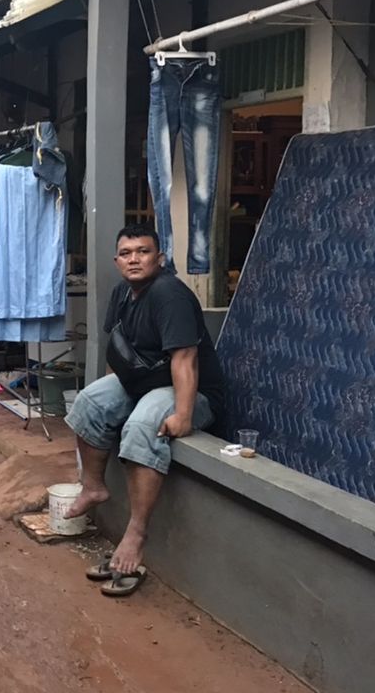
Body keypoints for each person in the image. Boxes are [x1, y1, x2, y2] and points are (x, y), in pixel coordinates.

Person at [64, 224, 227, 596]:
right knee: (89, 402)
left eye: (143, 251)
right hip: (146, 382)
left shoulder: (169, 294)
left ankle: (135, 534)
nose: (134, 259)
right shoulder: (123, 292)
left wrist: (183, 415)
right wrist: (109, 401)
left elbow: (185, 359)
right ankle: (93, 487)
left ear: (160, 258)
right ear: (116, 260)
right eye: (126, 253)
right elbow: (118, 351)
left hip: (191, 390)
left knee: (141, 425)